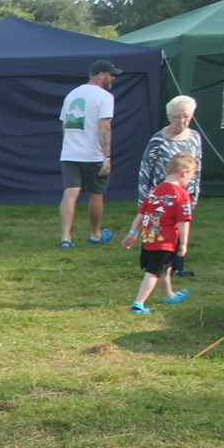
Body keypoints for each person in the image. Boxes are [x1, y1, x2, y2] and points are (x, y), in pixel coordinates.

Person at [137, 95, 203, 276]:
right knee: (159, 230)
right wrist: (143, 200)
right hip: (161, 197)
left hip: (184, 195)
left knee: (180, 228)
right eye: (177, 117)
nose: (182, 121)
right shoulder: (158, 139)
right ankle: (151, 264)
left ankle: (177, 268)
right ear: (169, 117)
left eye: (186, 116)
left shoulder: (195, 137)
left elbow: (197, 167)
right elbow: (145, 169)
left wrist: (194, 195)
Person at [58, 59, 121, 248]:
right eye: (111, 74)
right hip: (93, 154)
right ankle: (95, 234)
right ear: (101, 75)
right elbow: (104, 126)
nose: (113, 78)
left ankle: (66, 238)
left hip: (69, 153)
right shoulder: (104, 96)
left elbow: (65, 126)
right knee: (95, 194)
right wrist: (106, 157)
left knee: (70, 194)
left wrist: (72, 144)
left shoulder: (71, 95)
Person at [123, 152, 195, 314]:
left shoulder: (154, 191)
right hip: (165, 243)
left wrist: (133, 233)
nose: (189, 182)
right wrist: (183, 243)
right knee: (153, 273)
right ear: (184, 173)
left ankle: (169, 296)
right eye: (190, 178)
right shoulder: (182, 194)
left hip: (148, 240)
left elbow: (141, 213)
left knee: (165, 269)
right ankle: (138, 304)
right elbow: (183, 222)